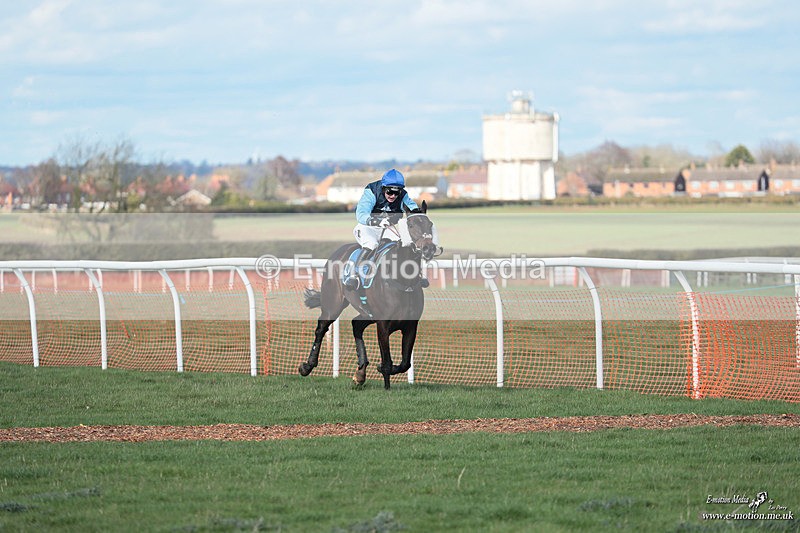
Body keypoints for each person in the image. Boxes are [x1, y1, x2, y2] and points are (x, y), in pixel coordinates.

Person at [344, 169, 422, 290]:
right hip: (367, 226)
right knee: (372, 244)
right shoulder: (371, 191)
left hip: (386, 227)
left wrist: (417, 213)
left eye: (397, 193)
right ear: (383, 187)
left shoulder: (403, 195)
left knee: (405, 245)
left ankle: (416, 274)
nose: (393, 196)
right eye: (390, 192)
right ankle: (354, 276)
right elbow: (361, 213)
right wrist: (376, 221)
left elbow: (411, 207)